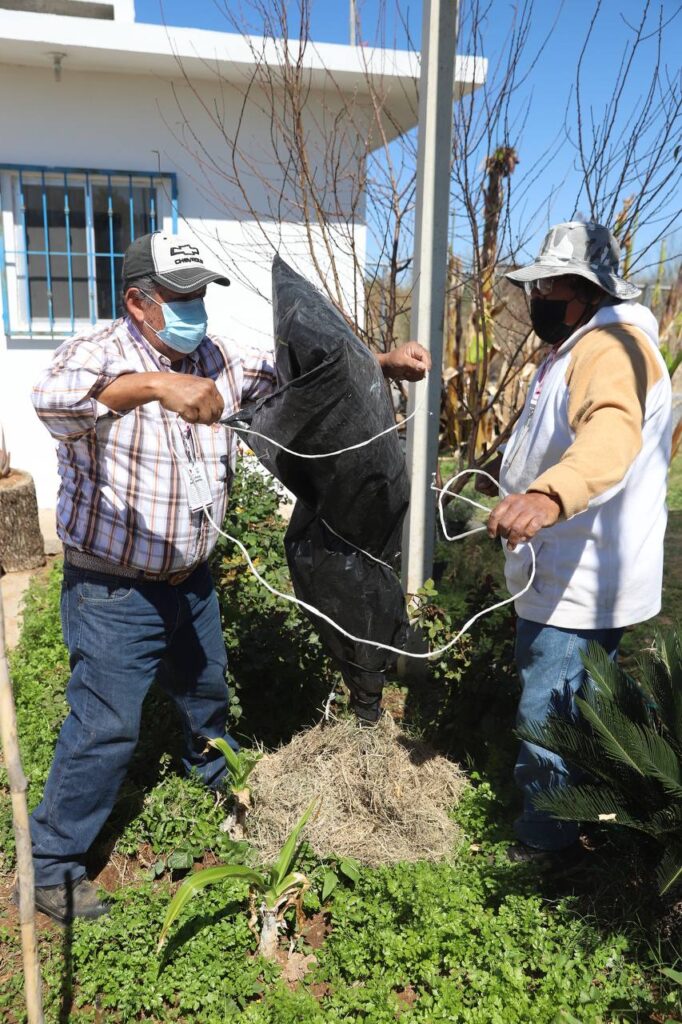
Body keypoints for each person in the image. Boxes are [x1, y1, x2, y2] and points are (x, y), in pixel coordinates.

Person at [27, 231, 431, 923]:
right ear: (138, 302)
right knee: (105, 724)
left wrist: (381, 362)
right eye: (180, 298)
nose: (195, 310)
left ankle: (214, 779)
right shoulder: (96, 353)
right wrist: (157, 386)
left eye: (200, 295)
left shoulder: (215, 356)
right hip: (114, 590)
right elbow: (52, 401)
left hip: (191, 580)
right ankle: (51, 866)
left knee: (205, 692)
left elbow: (301, 374)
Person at [483, 220, 672, 860]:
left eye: (553, 288)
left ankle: (544, 845)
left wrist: (546, 496)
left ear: (589, 292)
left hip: (576, 579)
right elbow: (554, 433)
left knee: (549, 715)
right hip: (580, 570)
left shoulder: (612, 352)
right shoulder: (580, 345)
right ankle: (601, 806)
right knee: (587, 704)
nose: (539, 300)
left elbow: (612, 434)